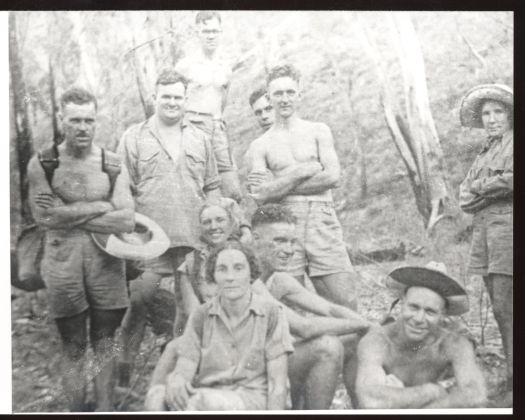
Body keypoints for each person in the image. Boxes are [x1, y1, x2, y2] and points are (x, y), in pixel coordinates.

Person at [144, 203, 371, 411]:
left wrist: (369, 327)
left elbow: (330, 310)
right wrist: (364, 323)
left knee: (350, 340)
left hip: (259, 363)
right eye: (279, 241)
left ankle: (362, 408)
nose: (289, 250)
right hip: (221, 366)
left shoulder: (279, 279)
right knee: (327, 346)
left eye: (292, 242)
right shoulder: (239, 273)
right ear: (255, 238)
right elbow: (304, 327)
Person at [116, 68, 226, 387]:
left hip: (193, 239)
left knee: (192, 306)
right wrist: (128, 235)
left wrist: (215, 224)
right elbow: (123, 189)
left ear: (186, 99)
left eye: (178, 97)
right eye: (166, 97)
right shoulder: (134, 137)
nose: (172, 103)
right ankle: (124, 369)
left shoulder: (199, 138)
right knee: (139, 299)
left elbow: (213, 186)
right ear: (155, 98)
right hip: (150, 240)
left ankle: (187, 369)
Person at [27, 87, 135, 411]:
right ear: (62, 119)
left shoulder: (111, 163)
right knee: (72, 343)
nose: (83, 127)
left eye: (89, 120)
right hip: (62, 262)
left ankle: (103, 410)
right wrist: (102, 206)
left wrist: (67, 213)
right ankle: (76, 410)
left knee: (105, 341)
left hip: (106, 262)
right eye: (75, 120)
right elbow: (45, 216)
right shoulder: (44, 162)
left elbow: (127, 219)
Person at [246, 64, 357, 311]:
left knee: (345, 301)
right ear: (269, 97)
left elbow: (332, 177)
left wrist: (280, 184)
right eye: (277, 94)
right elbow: (260, 195)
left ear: (299, 94)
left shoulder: (318, 131)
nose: (284, 99)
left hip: (321, 219)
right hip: (285, 223)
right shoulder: (260, 146)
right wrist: (301, 171)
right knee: (286, 304)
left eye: (289, 92)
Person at [158, 240, 293, 411]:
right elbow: (186, 367)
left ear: (251, 274)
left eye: (238, 268)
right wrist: (178, 380)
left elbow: (277, 386)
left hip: (255, 399)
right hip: (211, 395)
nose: (230, 277)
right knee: (158, 398)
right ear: (213, 276)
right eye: (222, 269)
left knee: (199, 401)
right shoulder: (201, 315)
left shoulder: (272, 313)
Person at [354, 262, 487, 409]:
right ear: (402, 304)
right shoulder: (378, 340)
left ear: (442, 315)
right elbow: (371, 400)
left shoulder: (453, 344)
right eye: (413, 307)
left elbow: (476, 395)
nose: (418, 319)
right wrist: (431, 392)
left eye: (430, 312)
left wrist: (427, 407)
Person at [458, 84, 513, 405]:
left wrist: (482, 187)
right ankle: (511, 377)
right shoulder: (486, 151)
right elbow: (465, 195)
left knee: (509, 306)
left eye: (498, 112)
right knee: (499, 307)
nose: (492, 119)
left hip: (509, 230)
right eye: (487, 113)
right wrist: (484, 187)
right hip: (486, 235)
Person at [175, 11, 242, 202]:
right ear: (198, 33)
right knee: (197, 182)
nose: (211, 36)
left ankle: (234, 228)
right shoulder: (185, 66)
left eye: (215, 31)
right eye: (206, 31)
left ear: (221, 32)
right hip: (193, 126)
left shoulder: (225, 67)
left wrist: (217, 123)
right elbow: (175, 101)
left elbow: (223, 100)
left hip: (217, 127)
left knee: (231, 186)